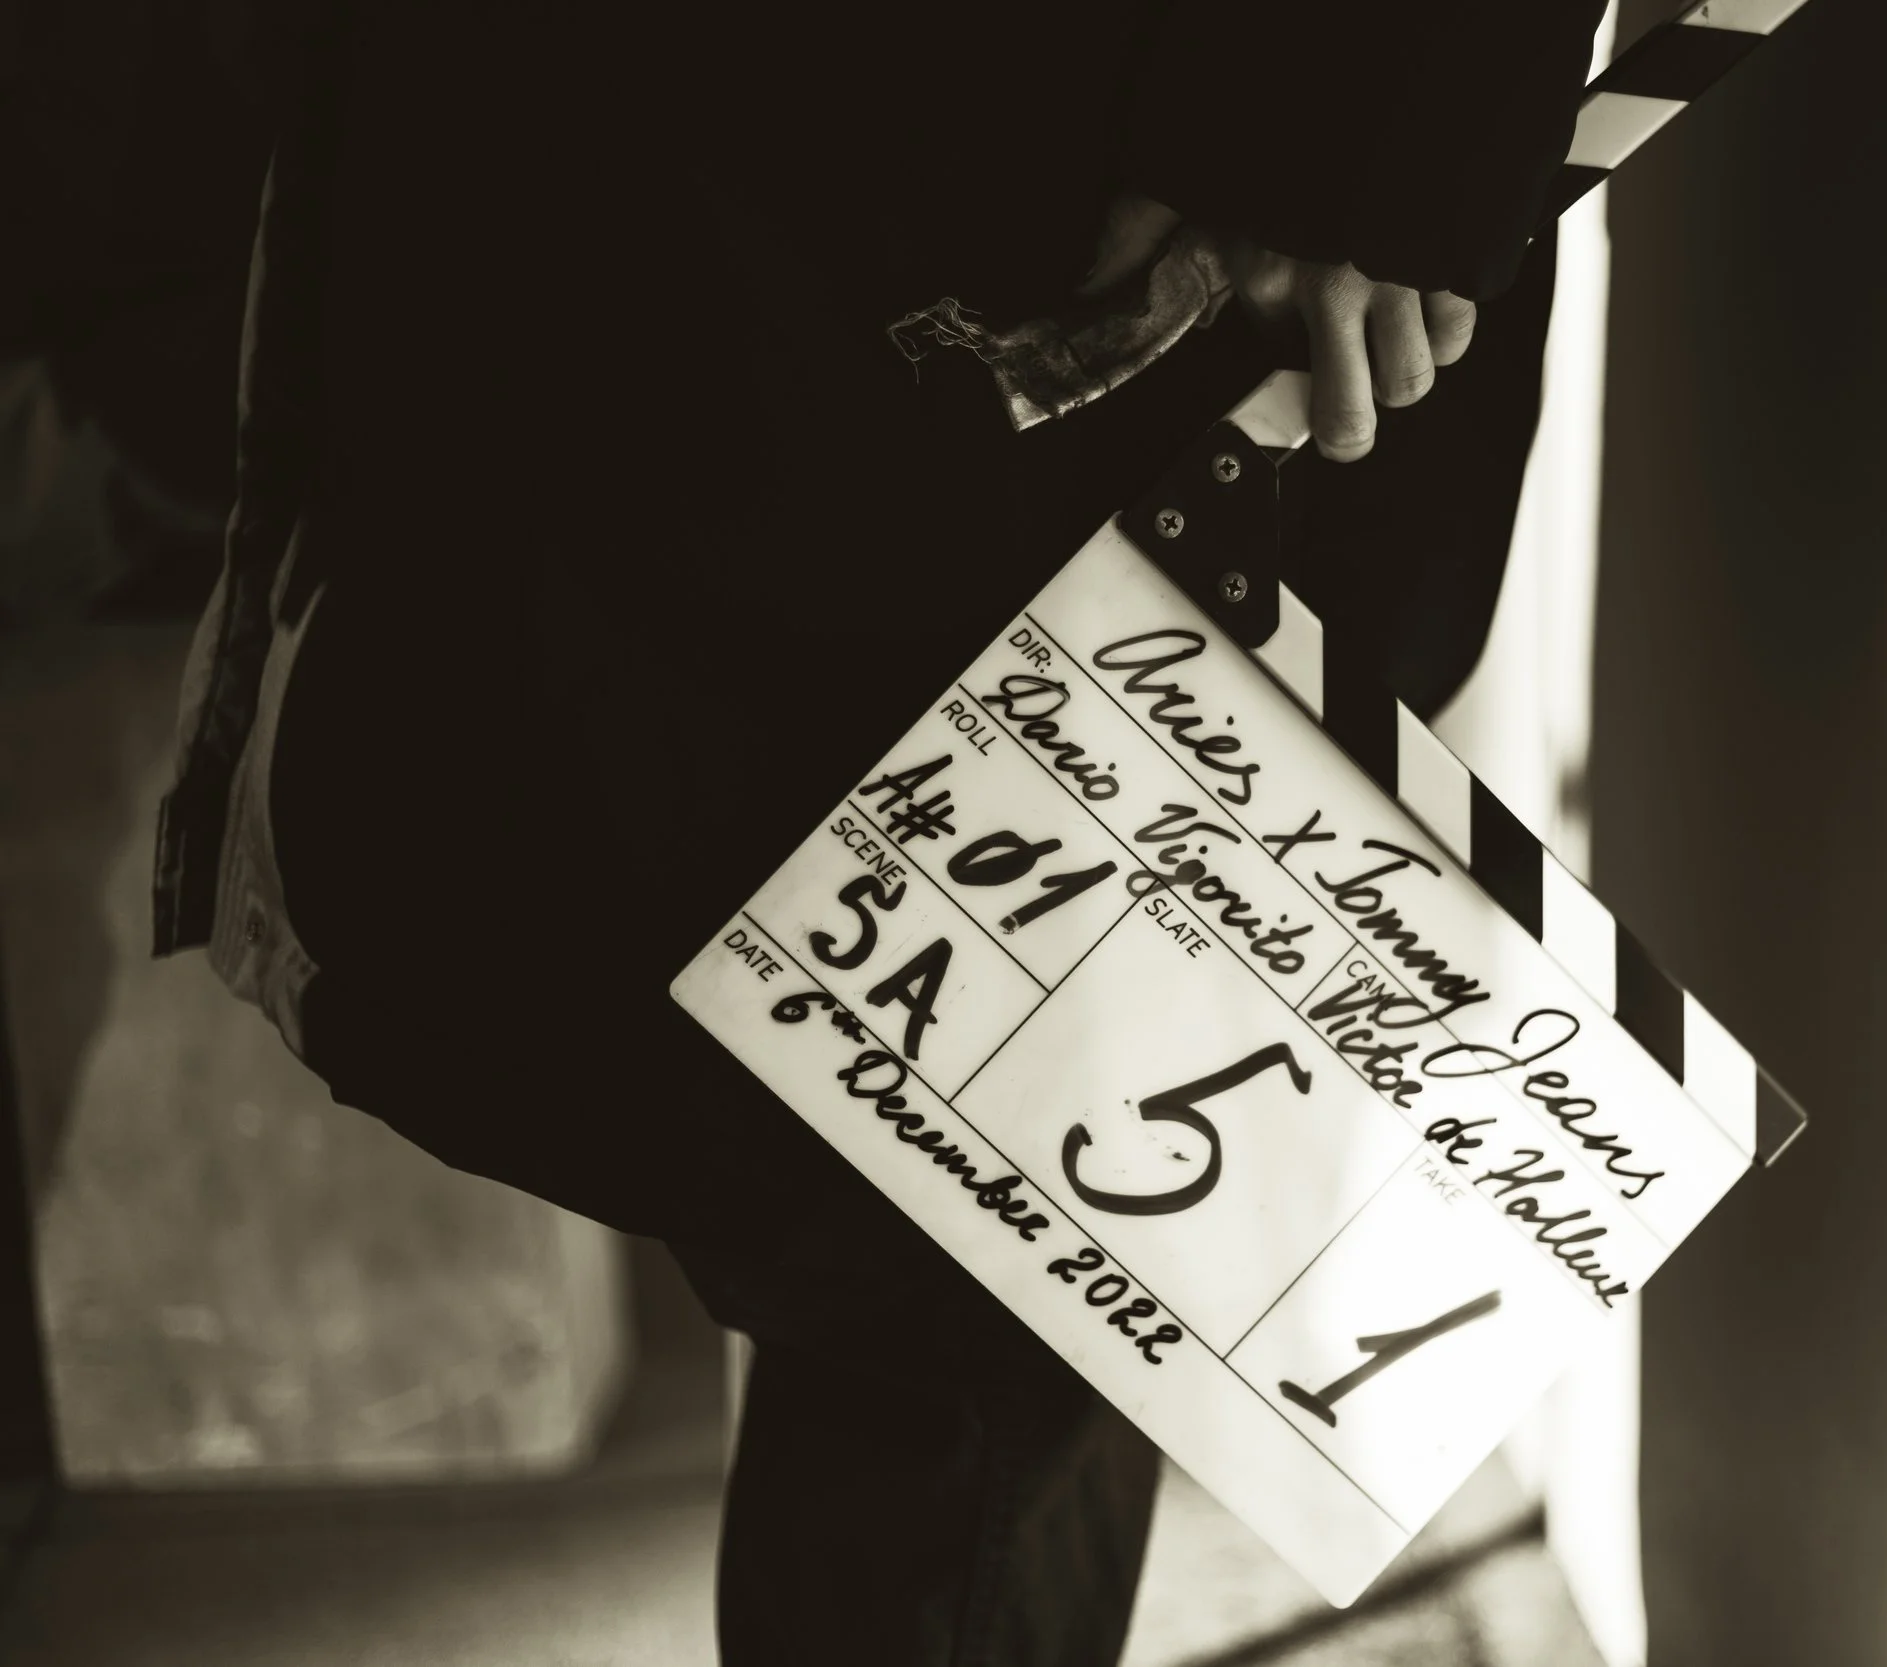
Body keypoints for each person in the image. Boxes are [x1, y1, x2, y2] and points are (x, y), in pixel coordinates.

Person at [149, 2, 1609, 1659]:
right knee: (836, 1123)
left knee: (968, 1209)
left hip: (1092, 183)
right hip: (710, 172)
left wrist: (1383, 94)